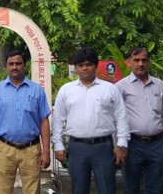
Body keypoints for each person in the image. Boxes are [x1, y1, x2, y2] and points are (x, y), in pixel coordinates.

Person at [51, 47, 129, 194]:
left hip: (103, 147)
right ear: (76, 67)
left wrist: (121, 144)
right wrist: (58, 145)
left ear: (96, 65)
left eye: (89, 64)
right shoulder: (67, 90)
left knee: (107, 188)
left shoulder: (110, 89)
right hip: (77, 148)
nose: (85, 68)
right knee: (79, 189)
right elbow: (57, 120)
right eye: (81, 65)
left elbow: (121, 117)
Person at [0, 50, 51, 194]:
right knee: (2, 190)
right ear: (7, 66)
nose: (14, 67)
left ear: (25, 66)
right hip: (4, 148)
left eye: (18, 63)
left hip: (31, 149)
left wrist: (46, 151)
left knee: (32, 191)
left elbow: (44, 121)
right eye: (11, 64)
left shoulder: (37, 90)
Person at [115, 47, 163, 194]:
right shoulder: (121, 87)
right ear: (128, 63)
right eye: (136, 60)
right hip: (132, 145)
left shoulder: (160, 85)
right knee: (131, 188)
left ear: (149, 61)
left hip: (157, 145)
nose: (140, 64)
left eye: (144, 60)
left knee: (156, 188)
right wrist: (119, 146)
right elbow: (116, 119)